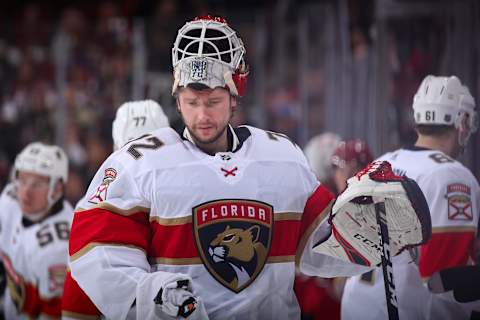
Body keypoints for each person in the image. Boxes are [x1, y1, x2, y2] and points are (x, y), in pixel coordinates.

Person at [68, 15, 430, 319]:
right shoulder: (141, 162)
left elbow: (318, 246)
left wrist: (371, 234)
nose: (202, 115)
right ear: (177, 99)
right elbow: (95, 249)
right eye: (191, 101)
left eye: (213, 100)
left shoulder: (280, 157)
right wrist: (148, 294)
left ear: (235, 96)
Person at [341, 75, 480, 320]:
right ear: (462, 120)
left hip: (356, 305)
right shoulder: (452, 176)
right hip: (400, 309)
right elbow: (445, 282)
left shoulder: (382, 162)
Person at [61, 100, 170, 320]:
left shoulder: (92, 206)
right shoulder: (94, 207)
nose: (143, 161)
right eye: (136, 150)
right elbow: (79, 301)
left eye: (149, 148)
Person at [0, 142, 72, 319]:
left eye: (37, 184)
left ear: (57, 189)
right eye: (22, 180)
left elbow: (53, 314)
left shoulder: (57, 248)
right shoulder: (11, 199)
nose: (25, 192)